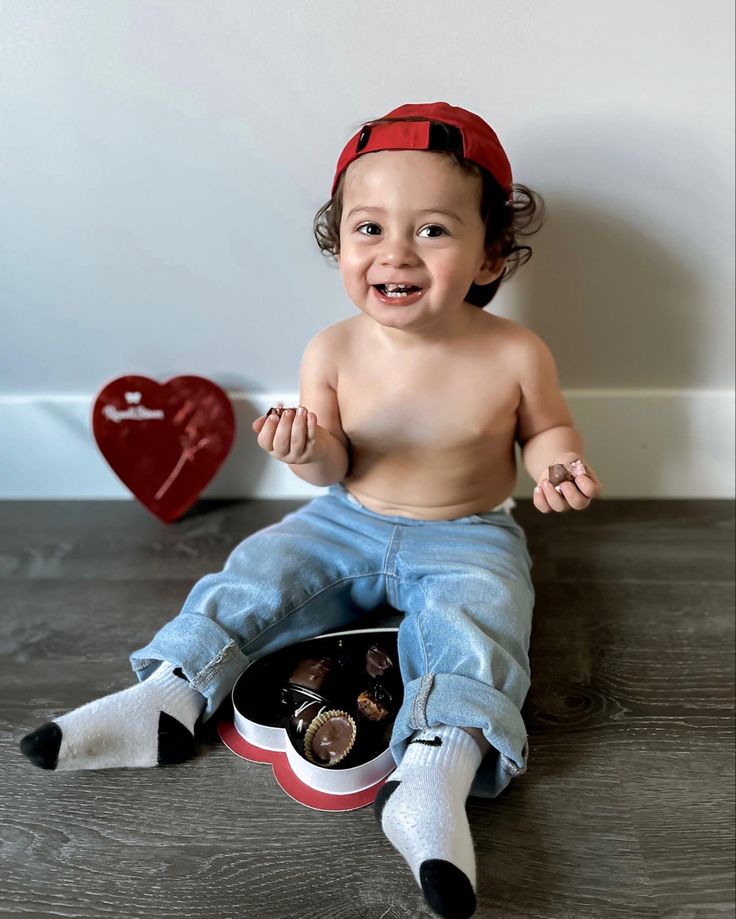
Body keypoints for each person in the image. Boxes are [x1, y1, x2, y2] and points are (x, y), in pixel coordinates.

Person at [20, 102, 602, 919]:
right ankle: (169, 693)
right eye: (368, 228)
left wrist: (557, 464)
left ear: (489, 252)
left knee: (487, 616)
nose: (395, 252)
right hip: (348, 515)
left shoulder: (513, 352)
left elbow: (546, 428)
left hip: (467, 530)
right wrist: (306, 452)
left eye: (432, 230)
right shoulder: (332, 349)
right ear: (340, 243)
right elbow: (334, 459)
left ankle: (434, 770)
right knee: (260, 570)